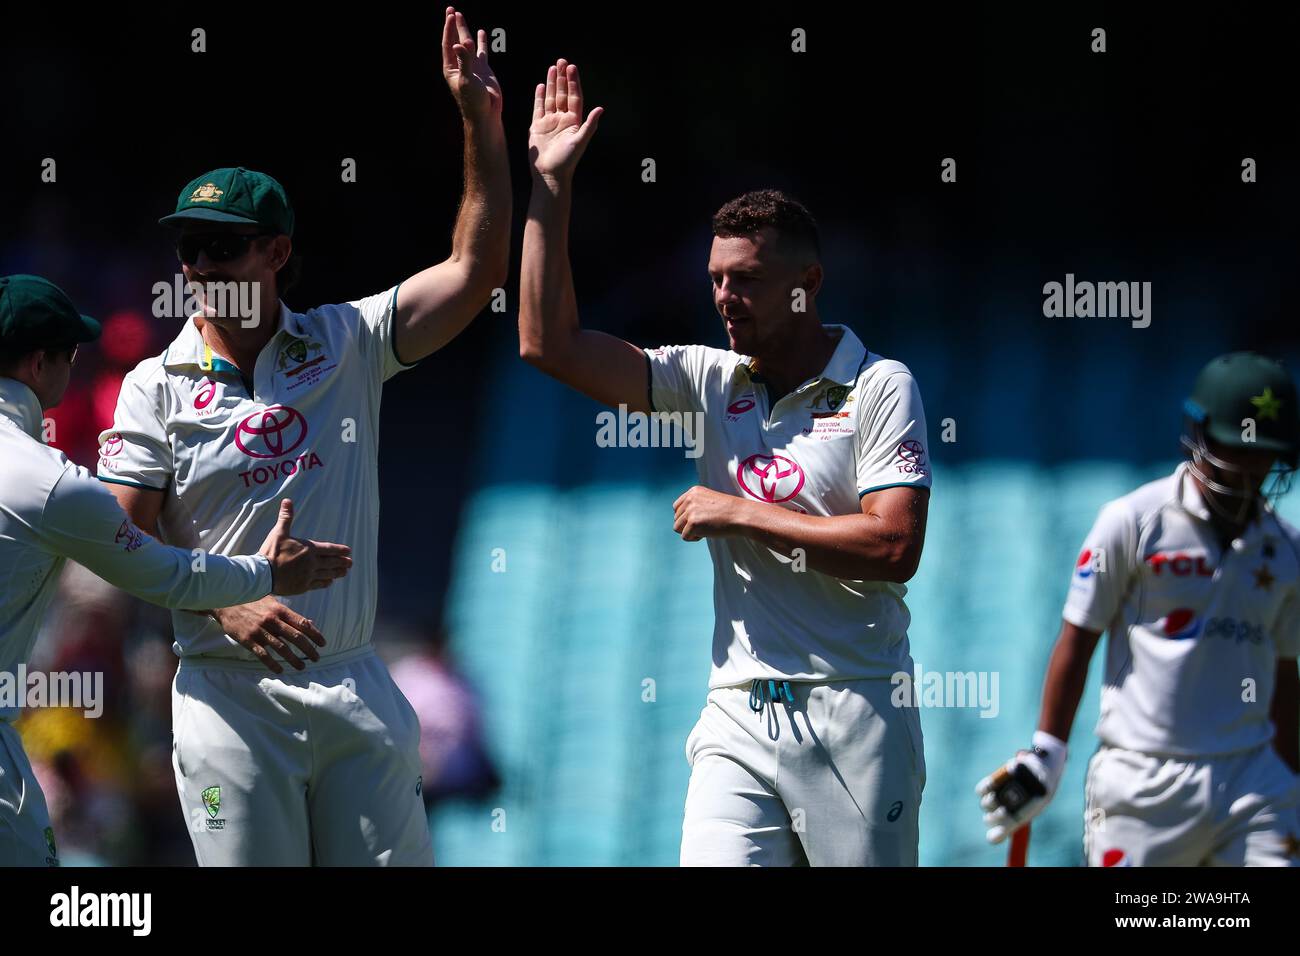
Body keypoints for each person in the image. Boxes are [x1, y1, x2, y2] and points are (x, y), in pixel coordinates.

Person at [98, 7, 510, 865]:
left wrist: (478, 122)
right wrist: (229, 595)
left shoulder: (346, 341)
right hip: (226, 696)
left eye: (226, 247)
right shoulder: (153, 385)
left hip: (353, 682)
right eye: (191, 250)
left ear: (277, 251)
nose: (204, 268)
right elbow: (113, 538)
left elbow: (474, 272)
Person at [519, 61, 931, 865]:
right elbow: (548, 343)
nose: (723, 299)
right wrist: (550, 186)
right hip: (738, 712)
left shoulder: (881, 385)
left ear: (807, 285)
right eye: (714, 280)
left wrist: (737, 509)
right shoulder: (708, 378)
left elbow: (895, 548)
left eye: (746, 280)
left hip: (856, 706)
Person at [0, 274, 350, 866]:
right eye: (70, 355)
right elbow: (164, 573)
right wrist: (265, 575)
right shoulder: (50, 481)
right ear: (40, 364)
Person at [978, 352, 1300, 866]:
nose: (1249, 469)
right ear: (1199, 434)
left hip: (1251, 778)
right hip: (1142, 779)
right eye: (1235, 451)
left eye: (1262, 454)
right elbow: (1078, 639)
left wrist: (1292, 775)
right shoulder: (1132, 521)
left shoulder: (1287, 549)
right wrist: (1048, 754)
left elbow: (1286, 674)